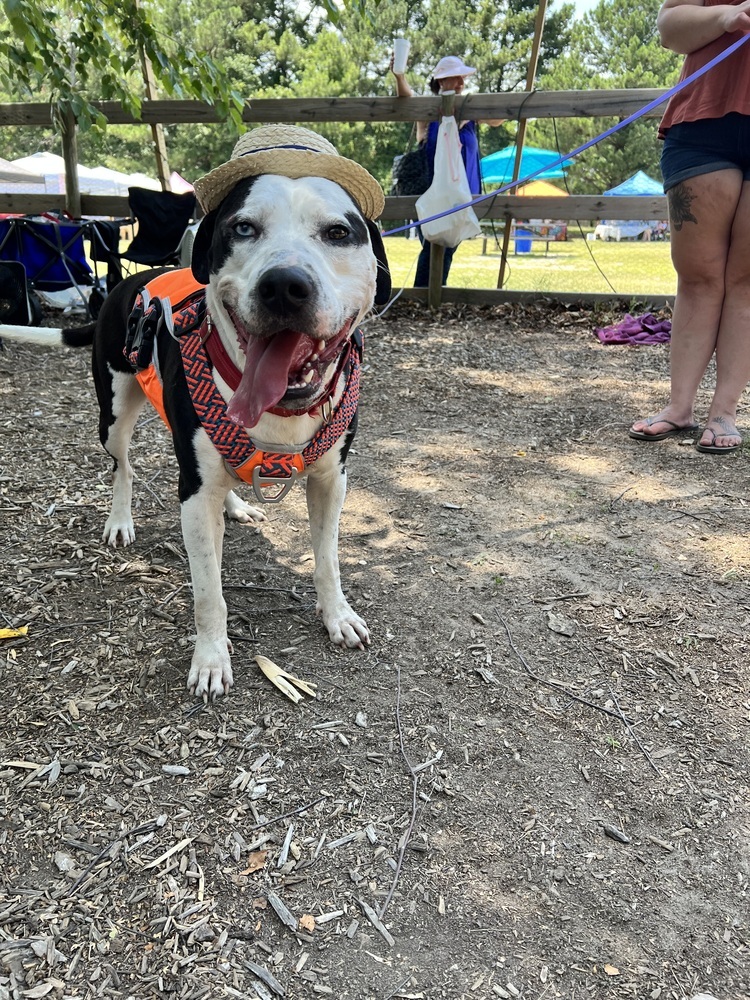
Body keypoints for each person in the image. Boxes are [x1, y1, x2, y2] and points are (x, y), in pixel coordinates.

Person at [628, 0, 750, 454]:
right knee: (697, 276)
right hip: (701, 121)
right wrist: (727, 16)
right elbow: (669, 28)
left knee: (747, 279)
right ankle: (679, 408)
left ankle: (724, 413)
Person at [391, 55, 502, 288]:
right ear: (442, 81)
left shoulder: (471, 112)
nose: (462, 83)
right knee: (434, 245)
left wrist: (468, 110)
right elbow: (406, 98)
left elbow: (498, 118)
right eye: (457, 78)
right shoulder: (427, 112)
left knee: (447, 247)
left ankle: (431, 295)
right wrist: (399, 76)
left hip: (462, 192)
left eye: (463, 78)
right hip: (431, 191)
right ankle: (427, 295)